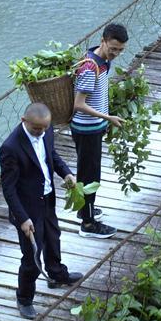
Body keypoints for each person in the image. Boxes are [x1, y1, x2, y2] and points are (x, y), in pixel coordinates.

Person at [0, 102, 84, 319]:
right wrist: (22, 219)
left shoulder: (47, 132)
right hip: (27, 209)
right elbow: (8, 189)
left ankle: (56, 274)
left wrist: (66, 173)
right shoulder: (10, 147)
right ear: (24, 121)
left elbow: (52, 156)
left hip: (47, 198)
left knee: (54, 237)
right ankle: (24, 297)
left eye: (45, 128)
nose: (41, 132)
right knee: (32, 256)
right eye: (37, 129)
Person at [70, 23, 128, 239]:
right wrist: (108, 117)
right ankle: (87, 223)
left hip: (93, 128)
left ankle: (85, 210)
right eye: (113, 48)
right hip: (86, 130)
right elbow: (79, 104)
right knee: (89, 175)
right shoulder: (90, 67)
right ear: (103, 41)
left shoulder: (103, 62)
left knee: (89, 172)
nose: (116, 54)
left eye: (120, 50)